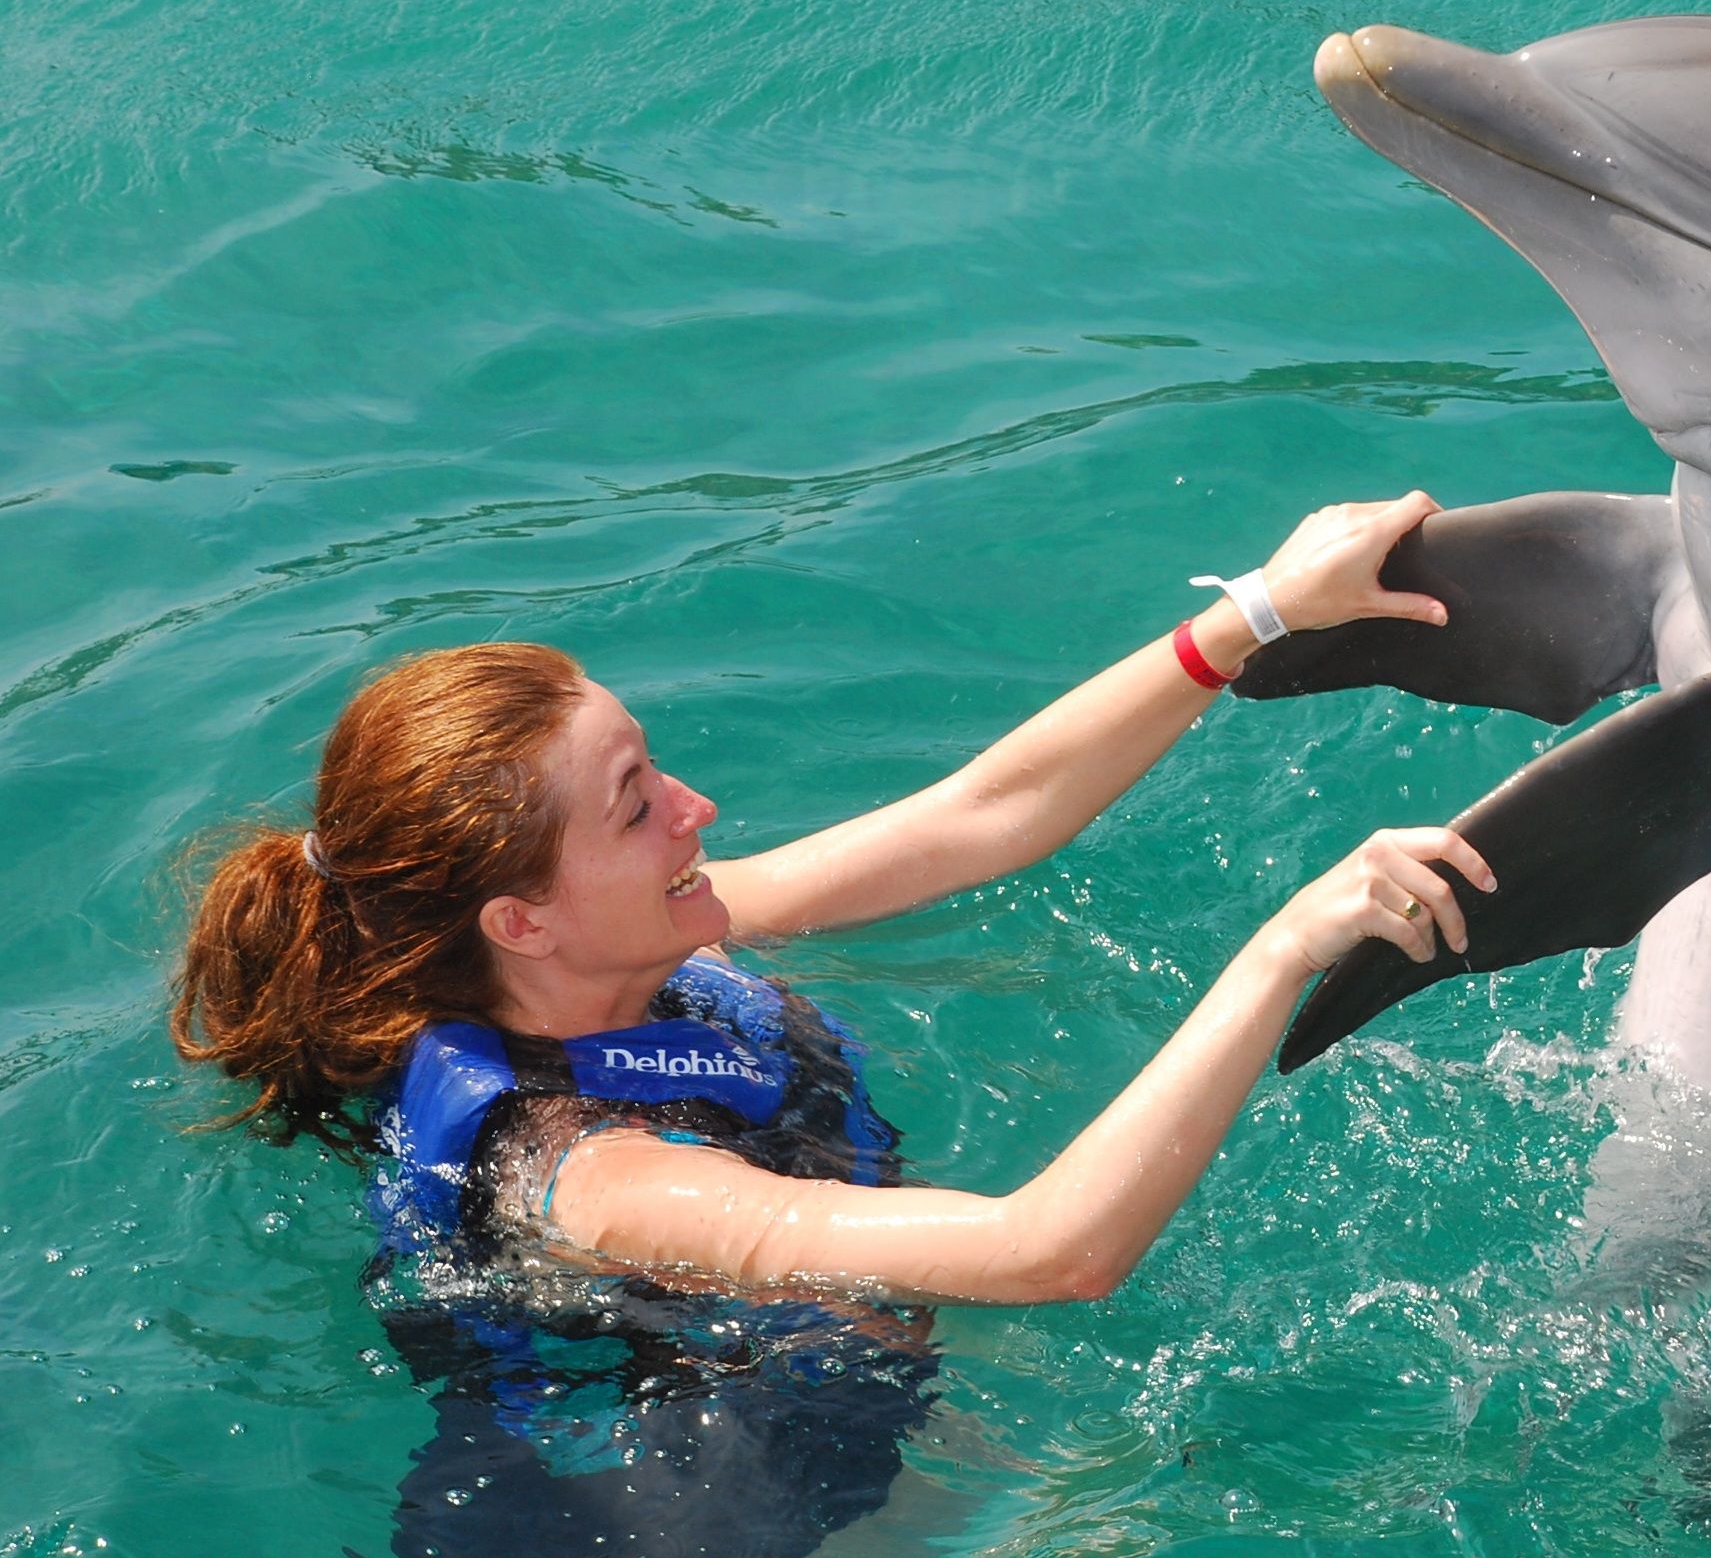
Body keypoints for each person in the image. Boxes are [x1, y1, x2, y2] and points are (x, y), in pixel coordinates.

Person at [170, 488, 1492, 1308]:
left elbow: (982, 815)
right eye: (635, 804)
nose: (696, 808)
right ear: (521, 921)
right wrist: (1286, 947)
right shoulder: (589, 1180)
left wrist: (1259, 611)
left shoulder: (630, 942)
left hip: (838, 1430)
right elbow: (1050, 1251)